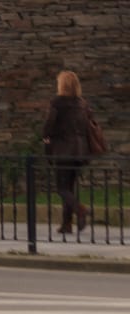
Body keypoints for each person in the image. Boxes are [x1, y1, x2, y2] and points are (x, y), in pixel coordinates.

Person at [43, 69, 104, 235]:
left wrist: (46, 137)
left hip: (64, 151)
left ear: (62, 85)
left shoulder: (57, 103)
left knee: (62, 189)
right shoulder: (82, 103)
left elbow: (49, 124)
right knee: (69, 187)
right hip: (80, 152)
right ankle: (67, 224)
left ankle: (80, 210)